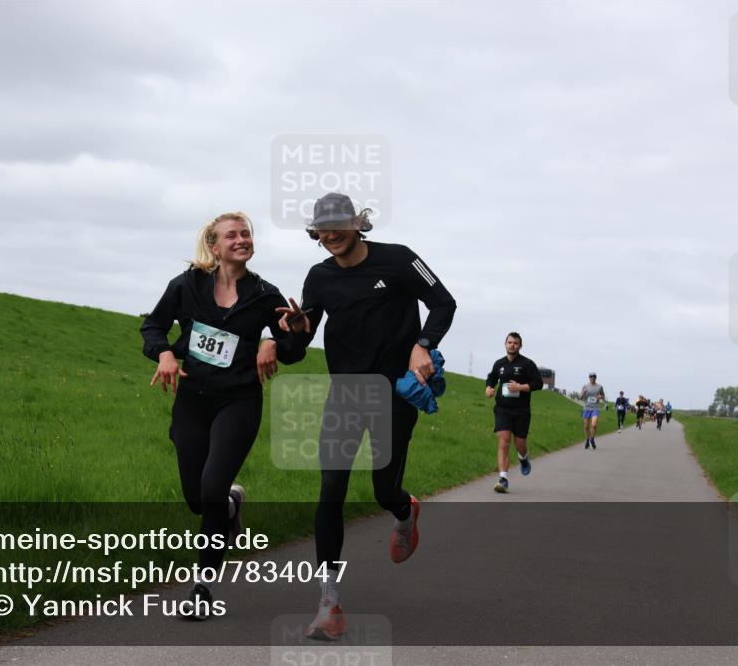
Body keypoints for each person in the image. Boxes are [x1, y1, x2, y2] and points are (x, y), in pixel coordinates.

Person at [277, 192, 456, 640]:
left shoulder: (398, 260)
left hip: (394, 394)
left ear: (358, 223)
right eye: (322, 229)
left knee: (383, 489)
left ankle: (404, 511)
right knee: (331, 489)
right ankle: (329, 603)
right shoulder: (319, 277)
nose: (331, 235)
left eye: (339, 225)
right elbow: (298, 346)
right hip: (345, 395)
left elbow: (444, 303)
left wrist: (423, 345)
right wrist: (293, 334)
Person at [140, 212, 306, 619]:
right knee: (197, 499)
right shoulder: (186, 285)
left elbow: (292, 349)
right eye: (231, 235)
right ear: (213, 246)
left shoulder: (265, 294)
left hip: (239, 400)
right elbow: (153, 327)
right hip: (193, 399)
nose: (241, 239)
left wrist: (284, 337)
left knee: (211, 487)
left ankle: (203, 587)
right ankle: (231, 503)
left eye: (246, 233)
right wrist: (164, 353)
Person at [485, 332, 543, 493]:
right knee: (504, 442)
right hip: (502, 409)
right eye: (509, 342)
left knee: (520, 445)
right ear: (505, 344)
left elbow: (538, 383)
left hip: (521, 410)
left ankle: (523, 458)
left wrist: (520, 387)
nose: (512, 345)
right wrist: (489, 388)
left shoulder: (527, 364)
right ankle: (503, 479)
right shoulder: (499, 364)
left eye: (515, 343)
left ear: (520, 346)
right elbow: (492, 378)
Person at [580, 373, 606, 449]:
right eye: (591, 376)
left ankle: (592, 439)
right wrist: (583, 393)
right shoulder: (585, 386)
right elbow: (580, 397)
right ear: (589, 378)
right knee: (586, 426)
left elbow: (603, 396)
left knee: (594, 425)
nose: (592, 378)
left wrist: (600, 397)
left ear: (596, 378)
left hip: (595, 408)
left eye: (594, 376)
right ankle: (587, 440)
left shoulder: (599, 387)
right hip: (587, 408)